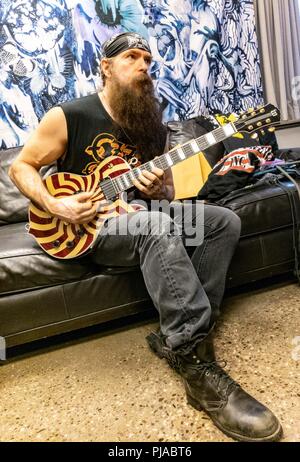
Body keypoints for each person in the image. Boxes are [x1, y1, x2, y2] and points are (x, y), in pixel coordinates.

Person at [9, 32, 282, 442]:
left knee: (222, 221)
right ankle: (195, 363)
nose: (143, 67)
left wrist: (158, 191)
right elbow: (21, 167)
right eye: (132, 58)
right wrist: (55, 205)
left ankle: (187, 333)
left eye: (149, 60)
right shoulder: (69, 115)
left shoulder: (149, 121)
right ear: (106, 67)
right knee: (156, 225)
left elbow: (167, 192)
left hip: (135, 216)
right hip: (88, 229)